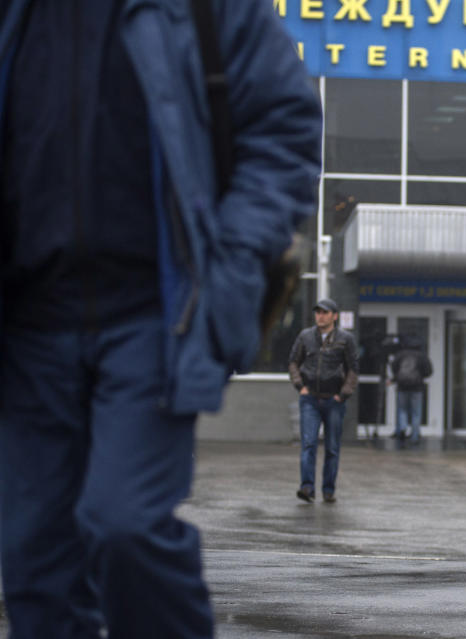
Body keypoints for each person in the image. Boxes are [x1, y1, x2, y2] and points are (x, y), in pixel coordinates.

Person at [0, 1, 322, 637]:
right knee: (34, 557)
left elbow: (283, 126)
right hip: (27, 325)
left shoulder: (207, 7)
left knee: (124, 522)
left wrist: (231, 249)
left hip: (154, 317)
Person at [289, 298, 359, 504]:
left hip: (334, 401)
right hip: (309, 398)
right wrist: (299, 386)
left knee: (332, 447)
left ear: (334, 316)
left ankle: (328, 490)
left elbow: (353, 369)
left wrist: (343, 394)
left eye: (325, 312)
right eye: (318, 312)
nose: (320, 316)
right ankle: (307, 488)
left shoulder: (345, 339)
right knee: (308, 444)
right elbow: (293, 362)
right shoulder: (305, 336)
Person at [388, 336, 433, 444]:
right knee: (416, 412)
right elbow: (429, 371)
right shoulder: (422, 356)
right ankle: (415, 435)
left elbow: (394, 368)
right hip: (417, 387)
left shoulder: (400, 355)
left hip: (402, 386)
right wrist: (421, 376)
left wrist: (396, 378)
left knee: (402, 410)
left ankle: (402, 428)